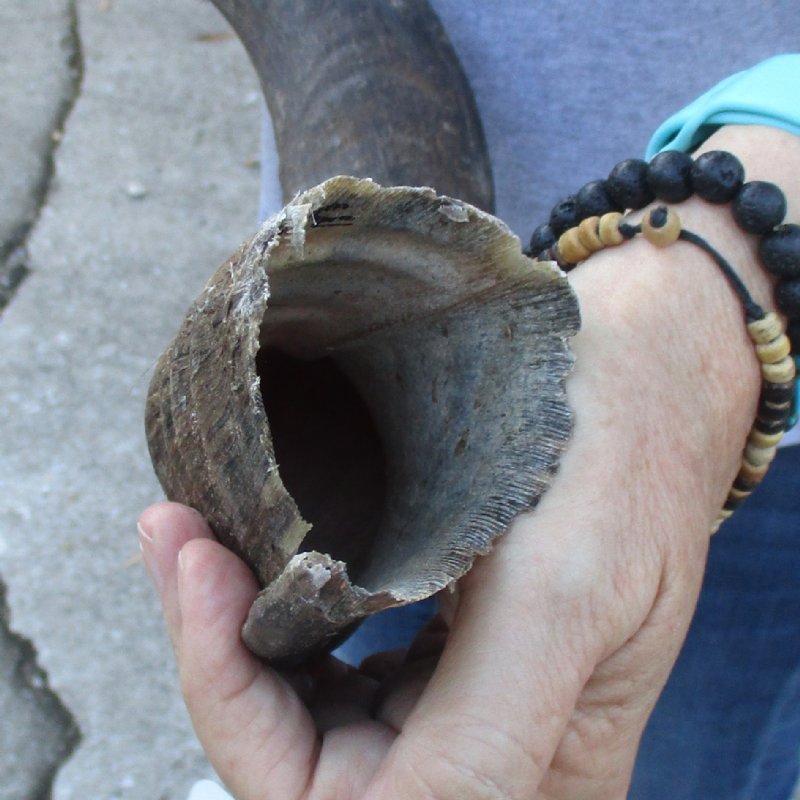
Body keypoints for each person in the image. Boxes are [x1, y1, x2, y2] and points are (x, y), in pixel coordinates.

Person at [140, 3, 800, 798]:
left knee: (693, 767)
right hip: (352, 387)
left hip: (742, 429)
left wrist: (713, 288)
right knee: (375, 689)